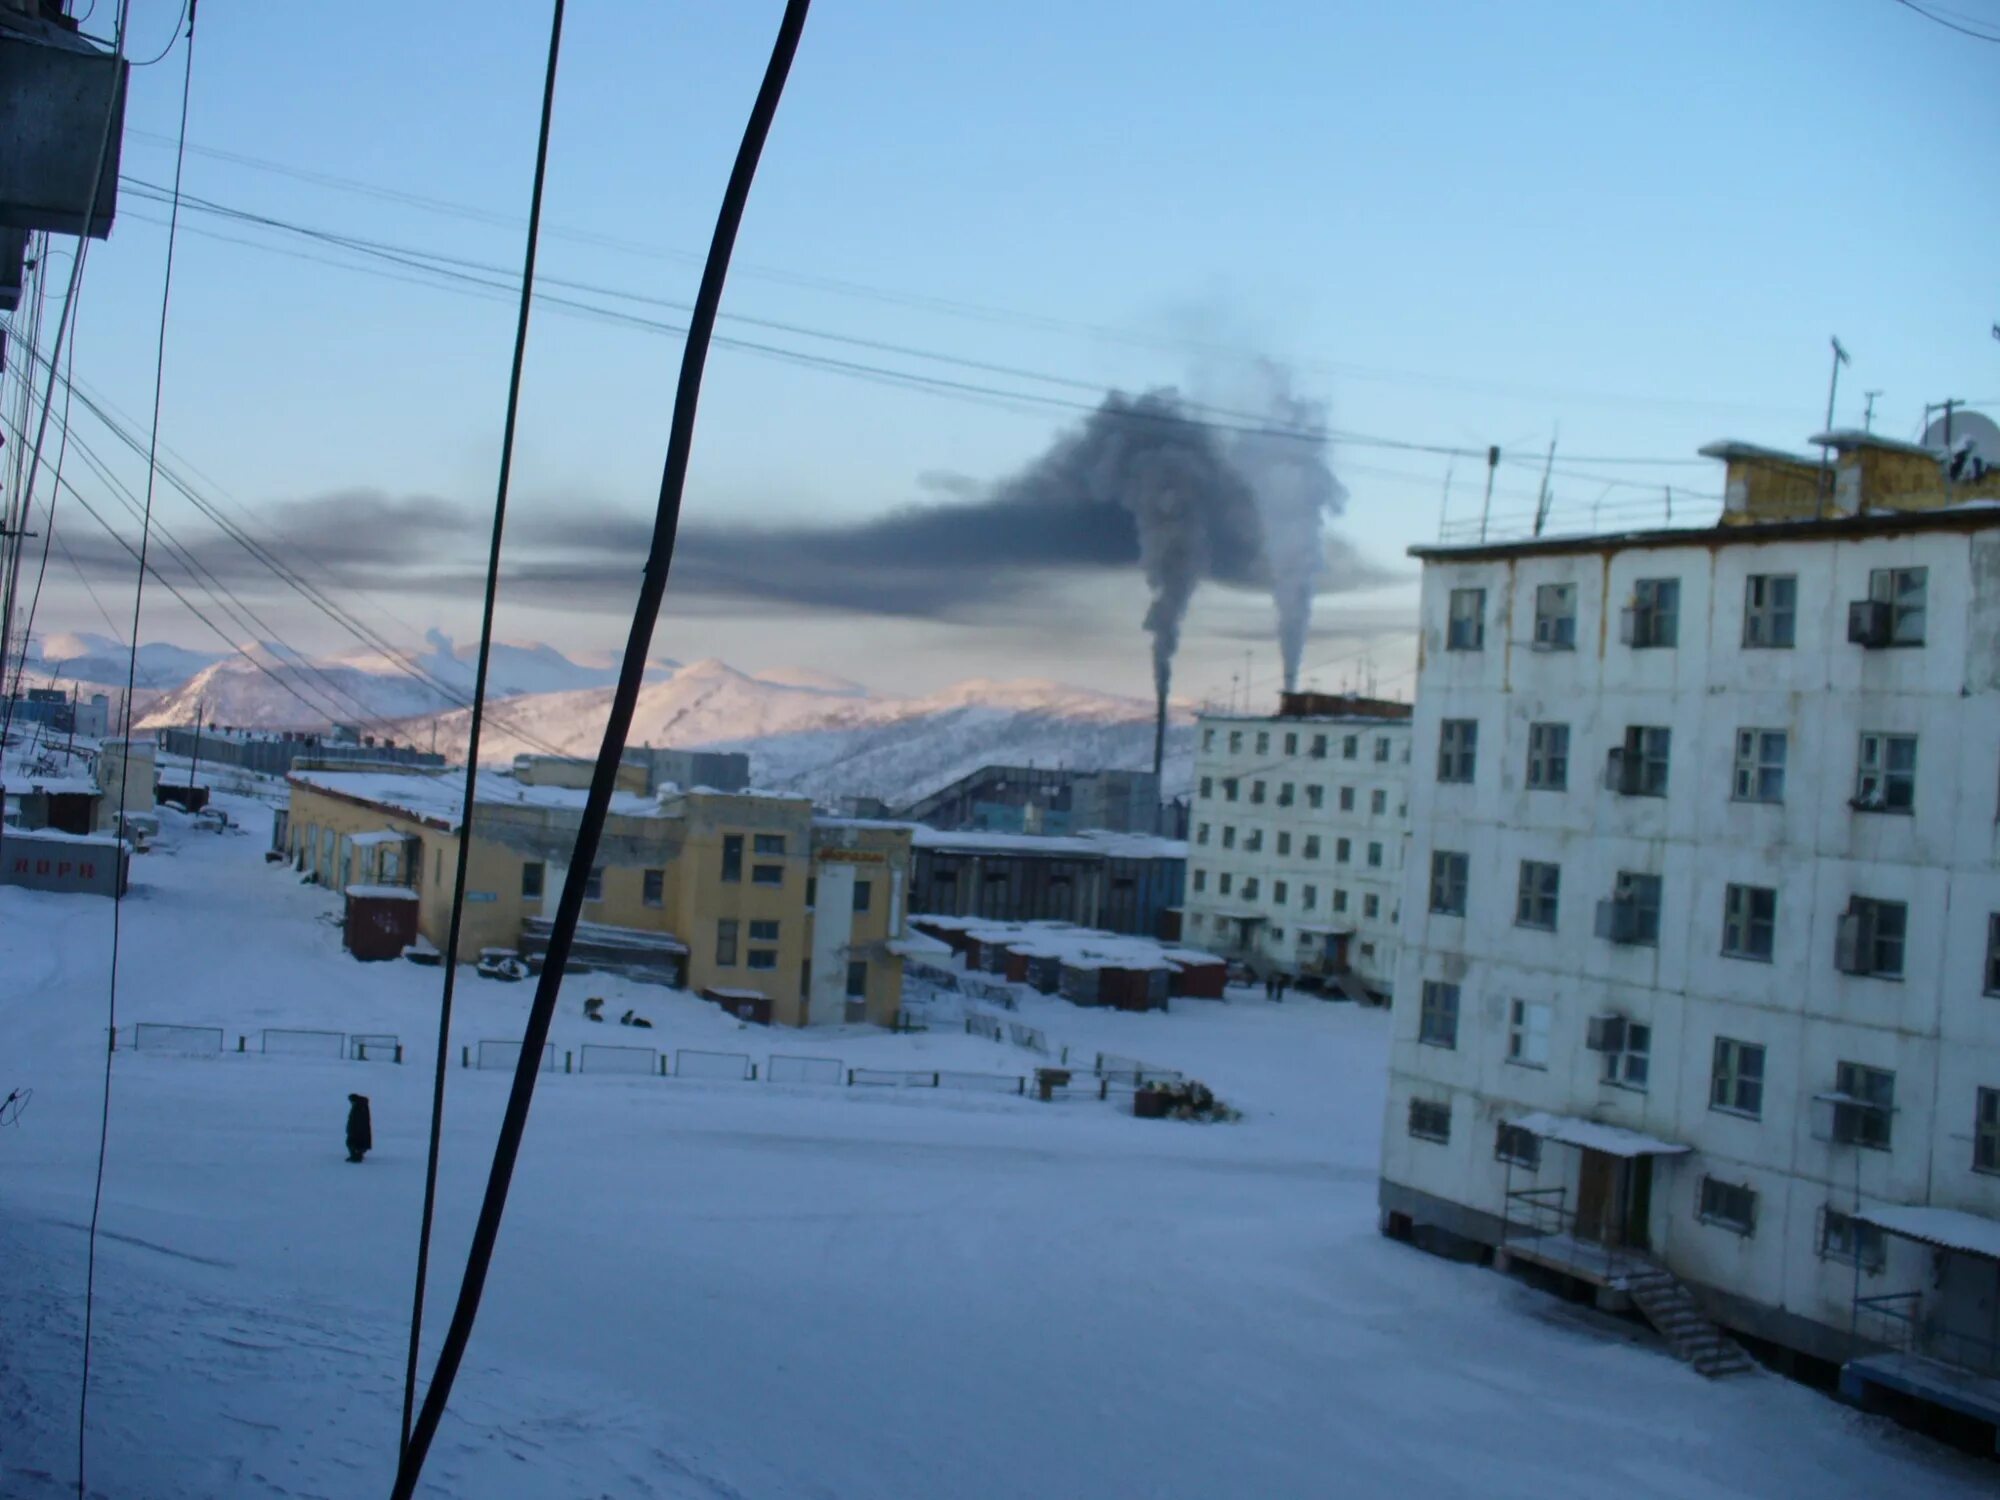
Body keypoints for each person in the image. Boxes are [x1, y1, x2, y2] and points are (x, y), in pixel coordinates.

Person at [346, 1093, 372, 1163]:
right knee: (356, 1143)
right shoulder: (360, 1106)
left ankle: (356, 1157)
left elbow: (356, 1120)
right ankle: (356, 1155)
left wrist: (351, 1129)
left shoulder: (359, 1106)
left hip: (357, 1130)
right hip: (358, 1130)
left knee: (353, 1143)